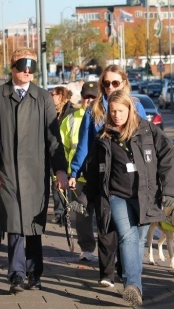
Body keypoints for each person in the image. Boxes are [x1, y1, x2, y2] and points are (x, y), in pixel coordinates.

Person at [80, 90, 174, 305]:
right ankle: (132, 285)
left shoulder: (148, 131)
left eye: (120, 111)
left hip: (146, 196)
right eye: (113, 111)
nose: (116, 115)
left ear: (130, 109)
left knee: (140, 239)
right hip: (116, 196)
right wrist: (85, 198)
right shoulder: (103, 138)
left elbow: (168, 157)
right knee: (128, 237)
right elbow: (92, 169)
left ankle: (135, 284)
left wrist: (169, 190)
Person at [0, 47, 68, 294]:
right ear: (12, 67)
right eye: (23, 66)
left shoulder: (43, 97)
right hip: (7, 169)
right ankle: (16, 275)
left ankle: (35, 272)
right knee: (14, 221)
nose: (27, 71)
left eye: (32, 66)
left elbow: (54, 139)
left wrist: (60, 170)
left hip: (35, 171)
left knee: (33, 223)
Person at [69, 64, 147, 287]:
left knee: (131, 231)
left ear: (124, 82)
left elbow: (147, 140)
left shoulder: (136, 106)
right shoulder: (94, 110)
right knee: (108, 225)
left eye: (115, 82)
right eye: (106, 83)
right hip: (104, 177)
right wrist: (74, 171)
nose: (111, 87)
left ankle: (126, 270)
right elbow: (84, 144)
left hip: (131, 178)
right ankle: (109, 273)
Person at [60, 81, 98, 261]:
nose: (89, 100)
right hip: (78, 177)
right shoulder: (70, 119)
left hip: (98, 174)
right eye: (86, 97)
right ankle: (87, 248)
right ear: (81, 98)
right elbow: (61, 148)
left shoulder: (102, 117)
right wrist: (59, 174)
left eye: (93, 97)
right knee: (83, 215)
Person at [50, 86, 76, 226]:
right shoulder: (51, 112)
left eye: (52, 94)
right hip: (55, 153)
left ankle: (67, 213)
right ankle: (59, 214)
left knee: (68, 187)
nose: (50, 96)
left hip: (68, 155)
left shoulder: (70, 111)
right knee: (56, 186)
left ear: (60, 97)